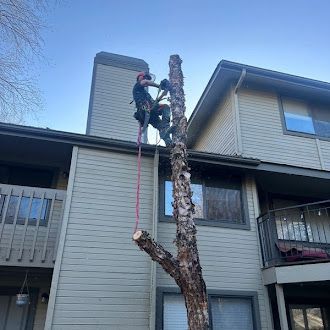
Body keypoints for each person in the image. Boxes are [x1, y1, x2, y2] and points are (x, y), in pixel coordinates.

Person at [133, 72, 173, 146]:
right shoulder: (137, 86)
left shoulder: (145, 94)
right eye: (145, 78)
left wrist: (164, 93)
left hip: (151, 113)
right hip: (145, 110)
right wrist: (160, 86)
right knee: (165, 107)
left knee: (161, 127)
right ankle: (166, 126)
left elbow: (155, 103)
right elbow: (146, 82)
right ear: (140, 77)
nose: (146, 79)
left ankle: (169, 143)